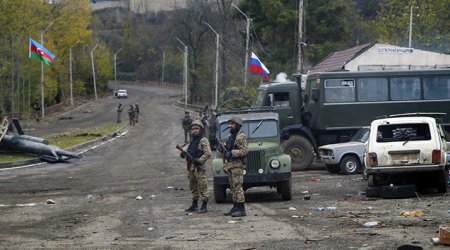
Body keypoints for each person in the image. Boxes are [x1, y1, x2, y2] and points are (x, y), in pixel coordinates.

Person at [181, 120, 212, 213]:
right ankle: (194, 204)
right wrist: (184, 154)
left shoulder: (203, 140)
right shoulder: (193, 140)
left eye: (197, 128)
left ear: (201, 130)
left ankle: (204, 205)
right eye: (193, 129)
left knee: (202, 186)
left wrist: (199, 161)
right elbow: (190, 151)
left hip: (199, 168)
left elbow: (208, 153)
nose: (194, 130)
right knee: (193, 187)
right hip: (191, 167)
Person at [222, 116, 248, 217]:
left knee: (237, 187)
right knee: (233, 187)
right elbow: (228, 148)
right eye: (230, 124)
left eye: (232, 124)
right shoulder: (232, 137)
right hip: (231, 165)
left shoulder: (241, 136)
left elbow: (245, 151)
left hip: (237, 165)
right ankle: (235, 207)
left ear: (237, 125)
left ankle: (241, 209)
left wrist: (232, 153)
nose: (230, 126)